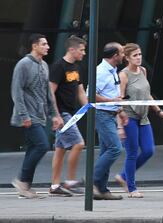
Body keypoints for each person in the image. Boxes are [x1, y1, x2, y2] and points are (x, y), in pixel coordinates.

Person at [114, 43, 163, 198]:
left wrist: (160, 111)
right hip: (129, 117)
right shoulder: (124, 75)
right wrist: (120, 126)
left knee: (148, 150)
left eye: (140, 54)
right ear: (127, 58)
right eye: (135, 55)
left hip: (143, 117)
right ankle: (131, 188)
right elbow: (119, 100)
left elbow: (147, 95)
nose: (139, 58)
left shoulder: (143, 71)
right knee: (132, 153)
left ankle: (124, 176)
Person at [10, 33, 63, 198]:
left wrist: (54, 114)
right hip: (27, 115)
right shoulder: (23, 64)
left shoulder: (44, 65)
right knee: (42, 145)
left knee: (34, 148)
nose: (48, 47)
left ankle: (25, 187)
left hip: (40, 115)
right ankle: (21, 180)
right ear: (34, 46)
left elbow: (48, 93)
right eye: (44, 44)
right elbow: (16, 91)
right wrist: (24, 115)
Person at [48, 36, 88, 197]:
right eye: (81, 50)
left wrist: (88, 108)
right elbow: (50, 92)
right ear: (72, 49)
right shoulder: (58, 67)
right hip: (62, 113)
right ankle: (70, 182)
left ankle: (55, 185)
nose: (84, 53)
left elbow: (80, 91)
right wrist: (56, 115)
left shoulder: (76, 67)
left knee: (60, 149)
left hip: (71, 113)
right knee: (78, 144)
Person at [92, 42, 128, 200]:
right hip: (102, 114)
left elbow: (112, 93)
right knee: (115, 149)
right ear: (114, 56)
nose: (123, 56)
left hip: (111, 114)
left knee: (106, 151)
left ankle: (101, 190)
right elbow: (91, 94)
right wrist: (111, 100)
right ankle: (92, 179)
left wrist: (120, 111)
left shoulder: (112, 70)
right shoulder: (101, 72)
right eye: (121, 53)